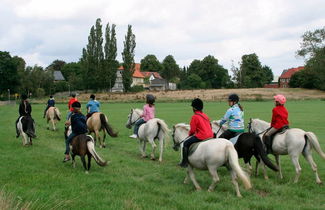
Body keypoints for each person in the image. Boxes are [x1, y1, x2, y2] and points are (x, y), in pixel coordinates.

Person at [179, 98, 214, 168]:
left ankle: (184, 162)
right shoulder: (205, 115)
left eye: (192, 107)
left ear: (194, 108)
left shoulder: (194, 117)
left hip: (202, 136)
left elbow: (192, 130)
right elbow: (210, 125)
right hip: (211, 135)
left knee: (185, 143)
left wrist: (189, 135)